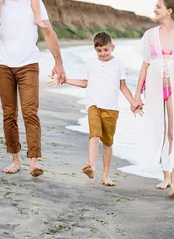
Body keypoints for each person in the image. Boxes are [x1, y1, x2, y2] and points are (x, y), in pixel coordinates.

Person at [0, 0, 66, 176]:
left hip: (28, 64)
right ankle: (15, 160)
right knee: (9, 114)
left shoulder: (34, 2)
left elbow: (48, 32)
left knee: (30, 113)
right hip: (1, 64)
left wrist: (59, 62)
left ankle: (33, 161)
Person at [50, 32, 139, 186]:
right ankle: (90, 166)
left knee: (108, 142)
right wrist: (65, 80)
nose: (102, 54)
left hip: (111, 108)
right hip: (93, 105)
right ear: (95, 50)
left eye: (106, 50)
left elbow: (122, 87)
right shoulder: (90, 64)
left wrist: (133, 102)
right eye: (99, 50)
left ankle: (106, 175)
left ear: (112, 47)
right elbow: (84, 83)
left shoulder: (119, 65)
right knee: (94, 136)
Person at [133, 0, 174, 199]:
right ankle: (166, 176)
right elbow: (145, 65)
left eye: (158, 7)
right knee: (159, 131)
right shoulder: (150, 35)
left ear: (170, 10)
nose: (155, 9)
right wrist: (136, 95)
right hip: (153, 86)